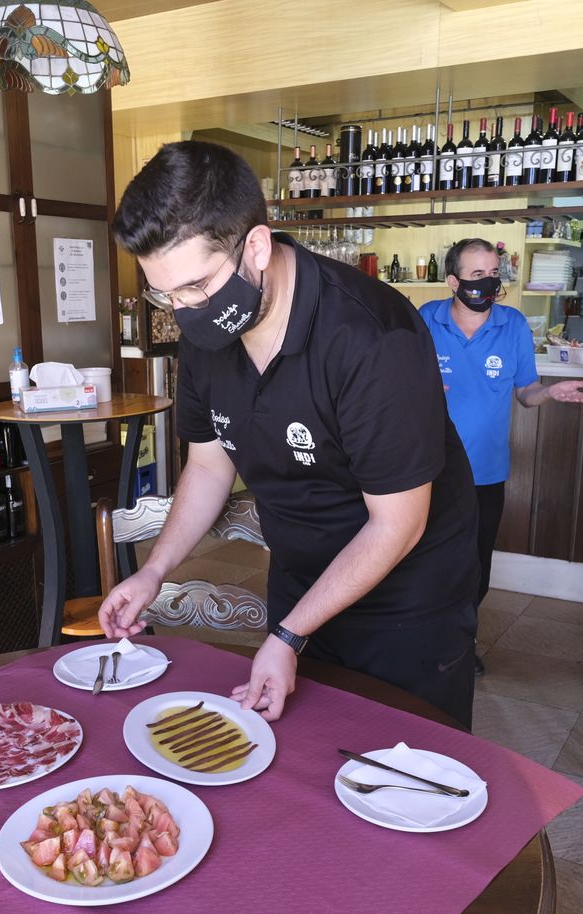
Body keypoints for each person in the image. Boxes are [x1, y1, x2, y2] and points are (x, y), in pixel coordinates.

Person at [100, 141, 480, 727]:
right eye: (165, 293)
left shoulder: (370, 338)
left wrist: (287, 635)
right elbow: (208, 465)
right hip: (301, 583)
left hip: (406, 597)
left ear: (255, 245)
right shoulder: (207, 337)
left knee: (407, 771)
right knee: (305, 765)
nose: (183, 310)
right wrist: (154, 569)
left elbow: (398, 524)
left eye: (197, 287)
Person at [419, 238, 583, 676]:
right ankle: (421, 639)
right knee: (425, 560)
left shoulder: (513, 325)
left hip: (486, 471)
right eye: (477, 275)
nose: (488, 282)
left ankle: (460, 643)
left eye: (493, 273)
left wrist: (548, 391)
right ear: (453, 281)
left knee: (476, 566)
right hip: (428, 468)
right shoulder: (425, 320)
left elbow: (526, 395)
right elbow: (398, 380)